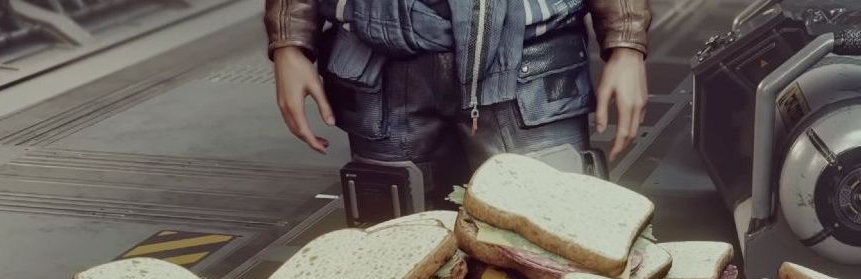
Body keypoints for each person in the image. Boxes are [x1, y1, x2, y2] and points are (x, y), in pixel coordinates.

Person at [266, 1, 651, 210]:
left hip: (528, 59)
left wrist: (626, 39)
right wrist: (289, 39)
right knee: (397, 259)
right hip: (381, 61)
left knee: (551, 249)